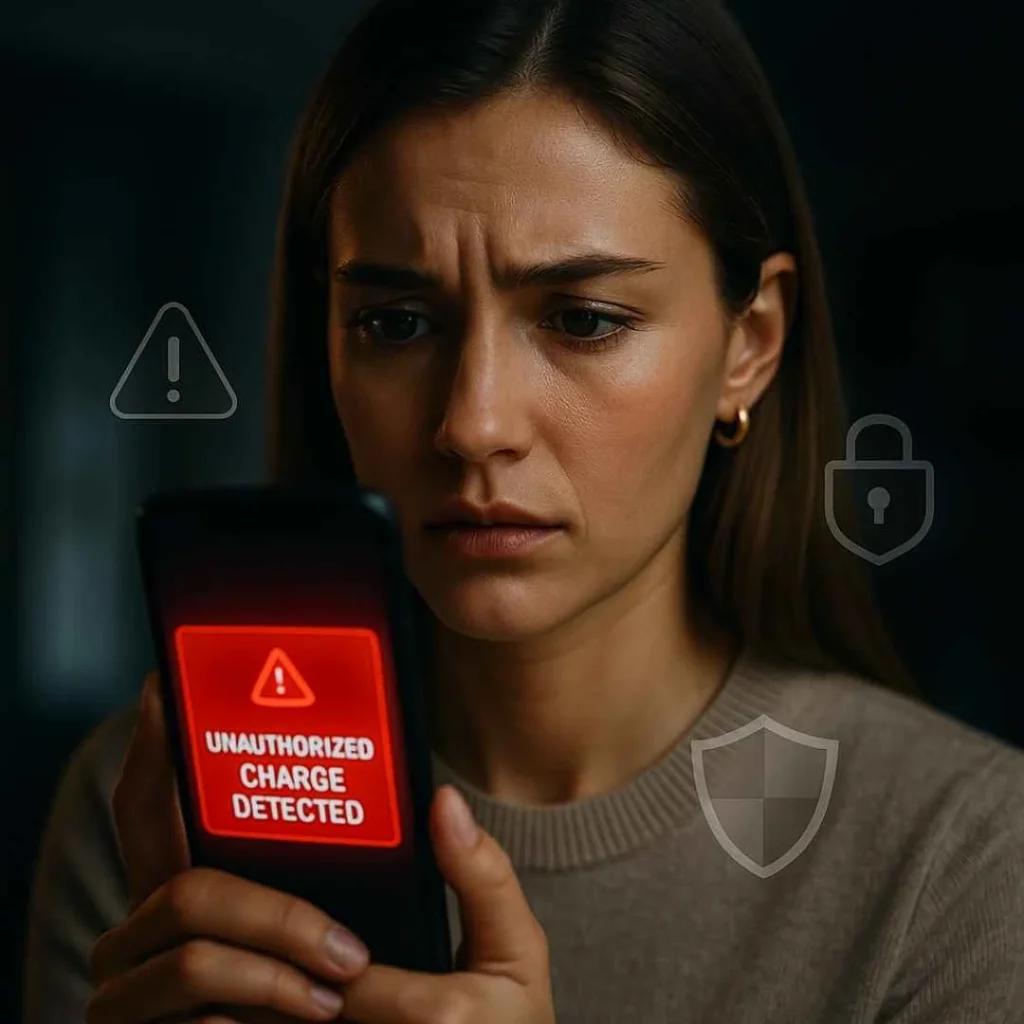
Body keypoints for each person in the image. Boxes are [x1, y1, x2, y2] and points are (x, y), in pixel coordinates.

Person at [22, 0, 1024, 1021]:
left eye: (583, 318)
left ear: (750, 343)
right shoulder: (156, 807)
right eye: (397, 321)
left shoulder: (962, 862)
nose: (472, 422)